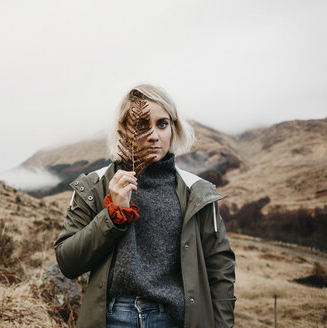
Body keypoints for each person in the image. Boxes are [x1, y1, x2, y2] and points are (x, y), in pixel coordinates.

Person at [54, 84, 236, 328]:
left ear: (173, 127)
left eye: (162, 124)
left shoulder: (197, 191)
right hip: (111, 319)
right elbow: (68, 262)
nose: (153, 135)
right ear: (123, 131)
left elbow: (220, 270)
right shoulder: (94, 186)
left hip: (175, 319)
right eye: (141, 125)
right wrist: (113, 215)